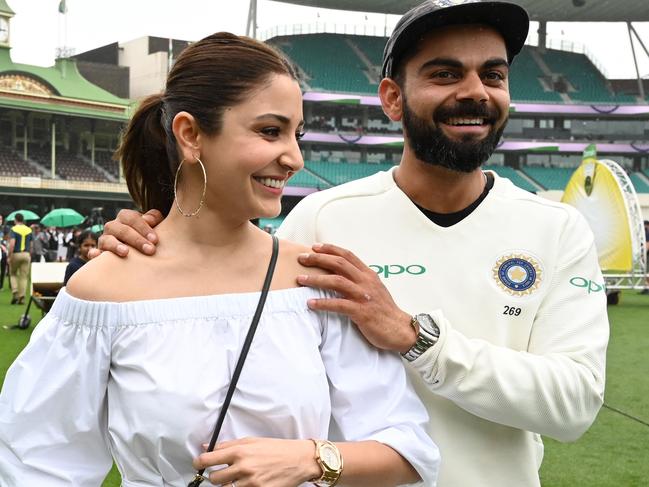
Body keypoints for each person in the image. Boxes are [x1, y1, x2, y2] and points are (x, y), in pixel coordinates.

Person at [96, 2, 610, 486]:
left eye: (493, 75)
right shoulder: (324, 218)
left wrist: (417, 338)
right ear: (391, 98)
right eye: (445, 74)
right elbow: (226, 326)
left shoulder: (557, 228)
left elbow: (575, 406)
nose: (475, 91)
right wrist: (151, 250)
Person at [0, 32, 439, 487]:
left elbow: (408, 448)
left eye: (296, 133)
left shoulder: (315, 279)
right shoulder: (102, 292)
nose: (293, 157)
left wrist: (313, 459)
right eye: (270, 131)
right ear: (191, 135)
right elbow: (38, 466)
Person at [7, 212, 32, 305]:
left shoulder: (14, 229)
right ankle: (22, 297)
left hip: (16, 254)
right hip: (26, 254)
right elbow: (31, 244)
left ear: (15, 220)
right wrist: (30, 254)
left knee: (13, 273)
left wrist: (9, 256)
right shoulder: (29, 229)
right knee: (24, 277)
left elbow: (12, 243)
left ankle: (15, 292)